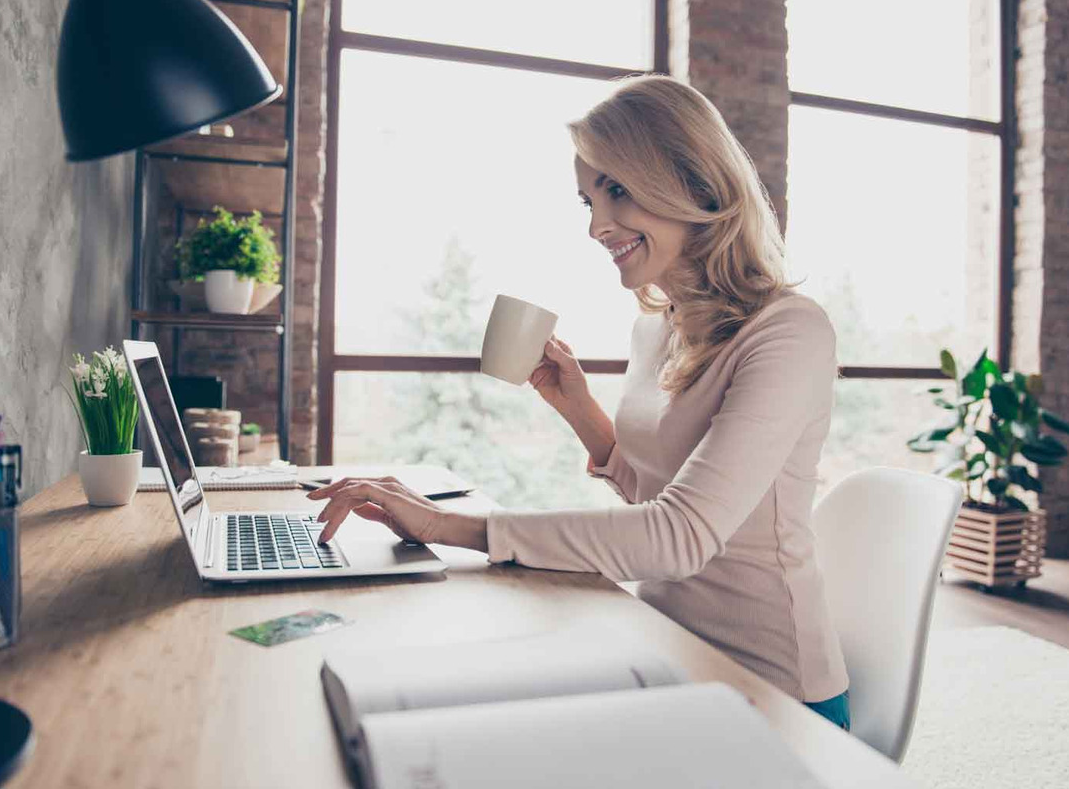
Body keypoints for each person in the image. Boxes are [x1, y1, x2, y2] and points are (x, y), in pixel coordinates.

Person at [309, 74, 851, 730]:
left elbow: (680, 536)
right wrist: (578, 408)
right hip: (665, 649)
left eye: (616, 191)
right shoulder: (657, 325)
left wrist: (445, 527)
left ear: (694, 184)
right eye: (587, 199)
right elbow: (658, 494)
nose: (597, 224)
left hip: (770, 690)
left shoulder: (789, 331)